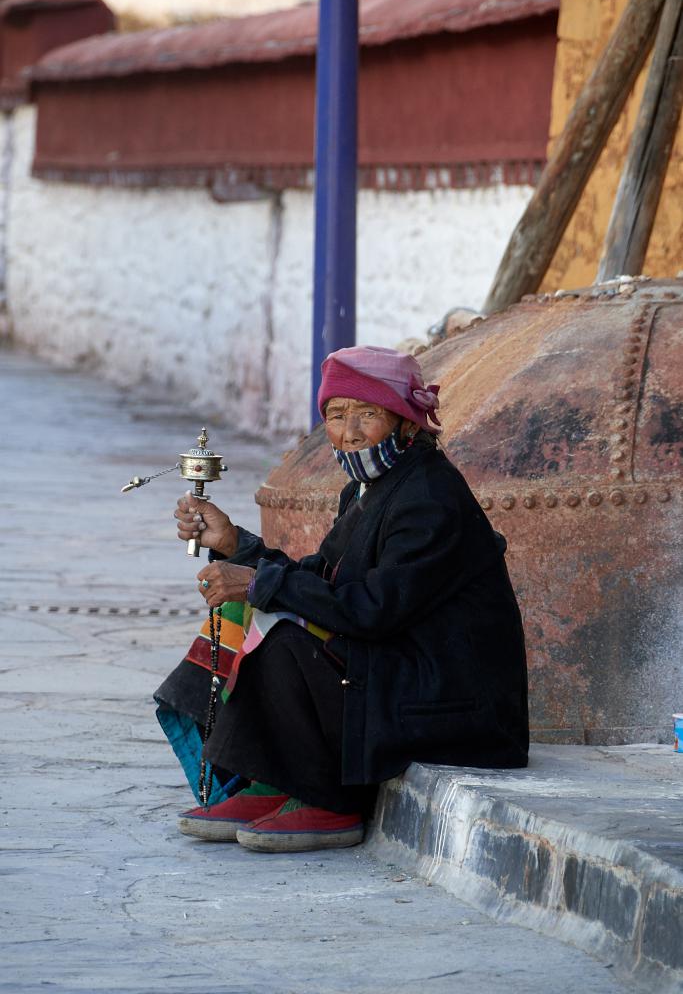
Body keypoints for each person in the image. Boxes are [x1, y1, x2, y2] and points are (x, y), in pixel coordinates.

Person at [154, 345, 528, 853]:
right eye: (336, 415)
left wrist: (257, 583)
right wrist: (235, 545)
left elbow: (373, 610)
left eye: (368, 414)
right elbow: (324, 578)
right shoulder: (364, 489)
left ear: (406, 423)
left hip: (454, 705)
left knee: (286, 638)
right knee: (251, 612)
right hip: (402, 671)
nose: (349, 432)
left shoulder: (429, 496)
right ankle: (271, 781)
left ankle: (329, 800)